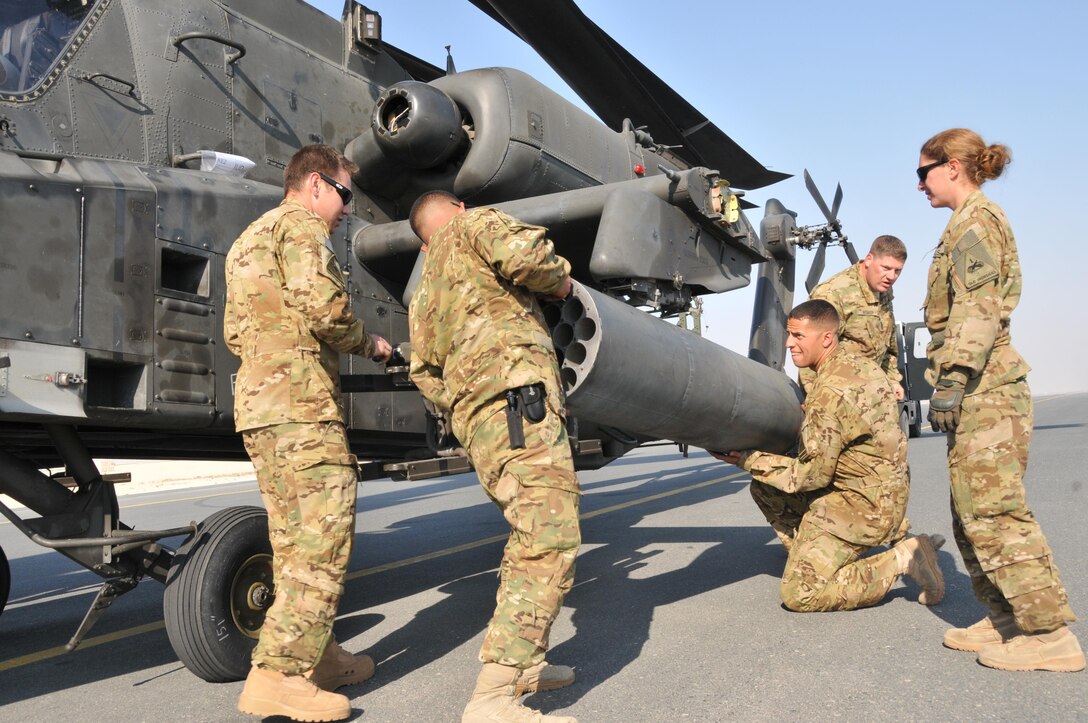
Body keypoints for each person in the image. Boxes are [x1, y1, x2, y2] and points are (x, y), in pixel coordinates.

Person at [224, 143, 393, 721]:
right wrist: (369, 343)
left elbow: (233, 332)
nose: (346, 209)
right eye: (344, 195)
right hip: (300, 405)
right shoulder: (300, 228)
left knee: (293, 541)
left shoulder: (249, 238)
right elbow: (322, 307)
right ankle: (279, 673)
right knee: (322, 539)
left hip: (260, 406)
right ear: (316, 184)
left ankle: (316, 655)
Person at [408, 190, 580, 723]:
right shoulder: (473, 224)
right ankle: (494, 697)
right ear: (456, 209)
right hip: (517, 401)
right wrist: (564, 284)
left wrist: (467, 403)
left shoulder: (422, 292)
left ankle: (524, 664)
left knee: (526, 535)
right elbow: (529, 258)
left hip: (483, 419)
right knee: (550, 537)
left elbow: (423, 373)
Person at [917, 128, 1083, 672]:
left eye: (923, 172)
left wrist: (955, 376)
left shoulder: (975, 221)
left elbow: (980, 305)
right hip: (978, 386)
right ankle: (1008, 617)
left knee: (994, 510)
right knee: (969, 511)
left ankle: (1049, 634)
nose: (919, 185)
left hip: (988, 384)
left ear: (952, 167)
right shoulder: (961, 223)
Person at [710, 300, 944, 612]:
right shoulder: (860, 365)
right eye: (789, 334)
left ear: (826, 338)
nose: (790, 343)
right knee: (765, 489)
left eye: (798, 336)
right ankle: (811, 557)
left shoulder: (830, 393)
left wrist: (746, 459)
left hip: (861, 507)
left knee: (800, 594)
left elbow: (812, 475)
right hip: (885, 494)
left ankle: (905, 558)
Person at [806, 235, 908, 401]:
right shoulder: (833, 293)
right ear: (869, 259)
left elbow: (887, 343)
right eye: (886, 268)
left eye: (898, 271)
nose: (892, 276)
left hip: (870, 394)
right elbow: (810, 348)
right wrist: (817, 399)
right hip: (837, 396)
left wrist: (892, 380)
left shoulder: (883, 291)